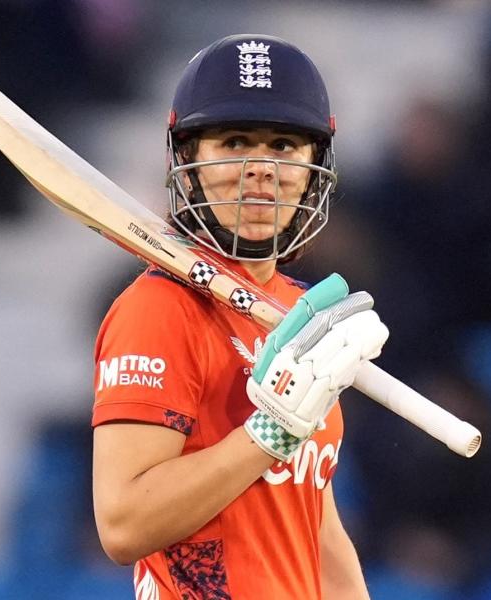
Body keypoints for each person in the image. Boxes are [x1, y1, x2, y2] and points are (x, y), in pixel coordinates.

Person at [91, 34, 389, 599]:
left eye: (283, 145)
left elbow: (312, 524)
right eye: (233, 142)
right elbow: (123, 522)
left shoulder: (298, 313)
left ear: (313, 167)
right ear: (189, 161)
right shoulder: (160, 309)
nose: (260, 169)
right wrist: (269, 433)